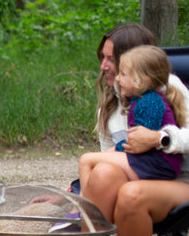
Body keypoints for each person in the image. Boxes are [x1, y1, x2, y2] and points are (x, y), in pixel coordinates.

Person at [68, 25, 189, 236]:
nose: (104, 66)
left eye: (111, 59)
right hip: (138, 176)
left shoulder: (169, 87)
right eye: (103, 58)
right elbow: (108, 162)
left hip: (179, 183)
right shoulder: (112, 103)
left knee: (130, 194)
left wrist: (160, 138)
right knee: (105, 173)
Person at [78, 45, 185, 184]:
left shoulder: (150, 102)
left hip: (158, 164)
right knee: (98, 162)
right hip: (152, 163)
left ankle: (85, 203)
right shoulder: (140, 99)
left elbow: (139, 140)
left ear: (143, 81)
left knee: (87, 160)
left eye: (123, 74)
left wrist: (115, 149)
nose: (117, 78)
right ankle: (88, 199)